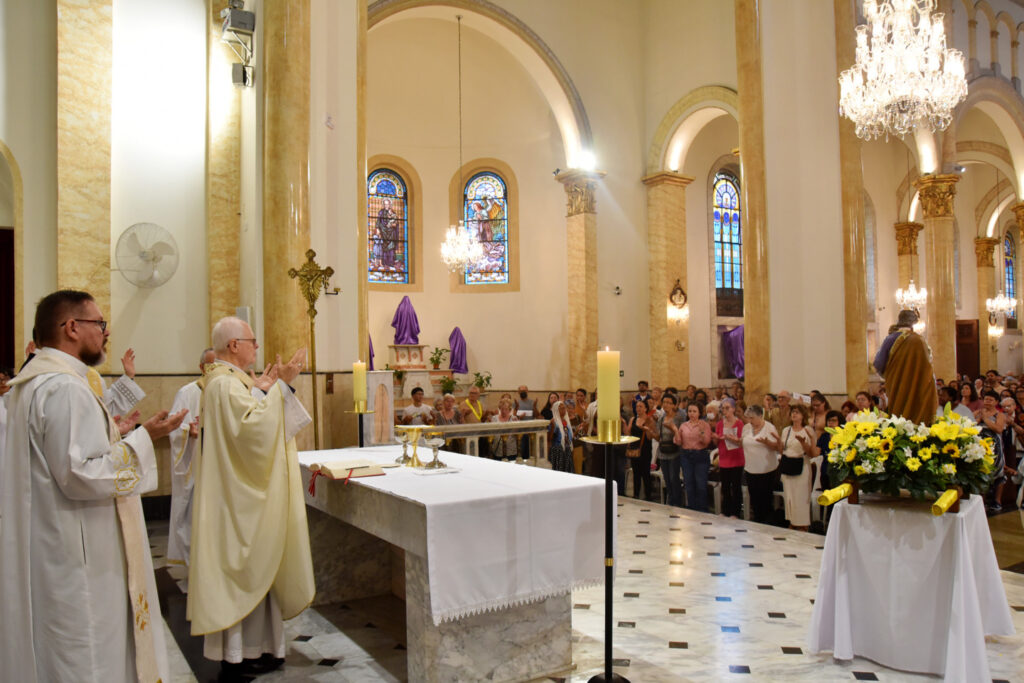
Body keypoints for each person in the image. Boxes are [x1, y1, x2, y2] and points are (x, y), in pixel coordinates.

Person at [0, 289, 186, 683]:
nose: (105, 333)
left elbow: (56, 460)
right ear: (71, 328)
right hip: (78, 554)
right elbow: (79, 474)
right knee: (88, 653)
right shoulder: (65, 388)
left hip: (50, 543)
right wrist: (142, 438)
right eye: (99, 324)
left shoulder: (32, 384)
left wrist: (112, 435)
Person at [189, 317, 314, 678]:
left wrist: (264, 389)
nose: (256, 347)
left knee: (262, 569)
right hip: (237, 500)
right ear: (233, 345)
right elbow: (250, 433)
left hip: (240, 494)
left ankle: (262, 649)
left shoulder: (230, 382)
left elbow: (250, 419)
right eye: (252, 341)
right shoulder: (224, 385)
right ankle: (236, 657)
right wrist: (281, 386)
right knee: (245, 572)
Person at [166, 347, 216, 574]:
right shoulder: (187, 393)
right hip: (195, 464)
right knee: (192, 515)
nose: (215, 371)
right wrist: (189, 432)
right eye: (210, 366)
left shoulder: (229, 391)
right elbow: (174, 429)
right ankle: (194, 567)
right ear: (201, 368)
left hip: (218, 469)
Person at [873, 309, 937, 425]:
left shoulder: (890, 339)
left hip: (897, 384)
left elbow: (878, 364)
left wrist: (890, 374)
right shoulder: (920, 341)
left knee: (899, 412)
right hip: (919, 385)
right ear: (914, 323)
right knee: (918, 416)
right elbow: (929, 364)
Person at [742, 405, 780, 525]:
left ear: (760, 416)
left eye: (752, 418)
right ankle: (757, 521)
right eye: (748, 418)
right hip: (750, 468)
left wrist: (766, 442)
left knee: (765, 498)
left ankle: (767, 523)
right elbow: (743, 442)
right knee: (754, 498)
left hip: (766, 469)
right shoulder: (747, 428)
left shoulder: (769, 427)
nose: (750, 421)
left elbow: (777, 447)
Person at [779, 404, 815, 531]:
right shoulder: (786, 430)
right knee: (790, 497)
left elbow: (811, 453)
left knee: (800, 497)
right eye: (793, 412)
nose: (794, 414)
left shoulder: (808, 430)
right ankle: (792, 522)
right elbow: (783, 448)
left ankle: (803, 524)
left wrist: (803, 443)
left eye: (797, 412)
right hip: (788, 465)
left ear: (803, 416)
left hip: (802, 466)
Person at [675, 402, 712, 512]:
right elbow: (678, 441)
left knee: (700, 484)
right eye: (690, 411)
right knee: (689, 483)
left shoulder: (704, 424)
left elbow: (706, 442)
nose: (691, 413)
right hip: (686, 455)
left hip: (700, 455)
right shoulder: (683, 425)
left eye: (694, 411)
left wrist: (701, 432)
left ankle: (702, 509)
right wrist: (675, 431)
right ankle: (691, 508)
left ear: (699, 413)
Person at [716, 398, 745, 518]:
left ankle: (735, 512)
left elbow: (741, 442)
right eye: (723, 408)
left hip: (736, 458)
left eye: (727, 408)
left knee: (736, 486)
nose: (725, 410)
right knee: (725, 486)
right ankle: (725, 510)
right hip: (724, 458)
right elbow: (717, 441)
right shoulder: (719, 424)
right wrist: (716, 437)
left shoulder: (739, 423)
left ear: (733, 409)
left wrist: (732, 439)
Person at [656, 394, 684, 506]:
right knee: (667, 479)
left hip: (675, 452)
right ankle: (670, 501)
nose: (666, 405)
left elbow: (681, 435)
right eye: (664, 402)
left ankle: (677, 503)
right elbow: (659, 436)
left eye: (669, 402)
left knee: (674, 478)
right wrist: (649, 430)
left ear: (674, 405)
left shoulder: (679, 417)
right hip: (663, 452)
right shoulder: (661, 418)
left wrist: (672, 428)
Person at [626, 399, 656, 500]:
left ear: (646, 408)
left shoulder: (649, 420)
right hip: (634, 448)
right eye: (637, 406)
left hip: (645, 449)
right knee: (636, 473)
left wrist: (645, 429)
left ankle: (648, 496)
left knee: (645, 473)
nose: (638, 408)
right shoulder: (633, 419)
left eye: (640, 406)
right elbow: (628, 433)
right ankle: (636, 495)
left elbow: (650, 437)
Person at [489, 396, 519, 460]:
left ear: (510, 409)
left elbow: (517, 434)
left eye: (506, 409)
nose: (503, 411)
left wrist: (516, 425)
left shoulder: (514, 419)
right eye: (502, 409)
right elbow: (491, 433)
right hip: (497, 450)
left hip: (510, 450)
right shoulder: (494, 418)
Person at [549, 400, 575, 473]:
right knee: (559, 471)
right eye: (561, 408)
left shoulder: (566, 420)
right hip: (558, 450)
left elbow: (569, 436)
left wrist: (577, 431)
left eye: (564, 408)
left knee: (568, 471)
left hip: (567, 449)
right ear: (556, 410)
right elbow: (549, 438)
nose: (564, 410)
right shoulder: (554, 421)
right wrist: (553, 427)